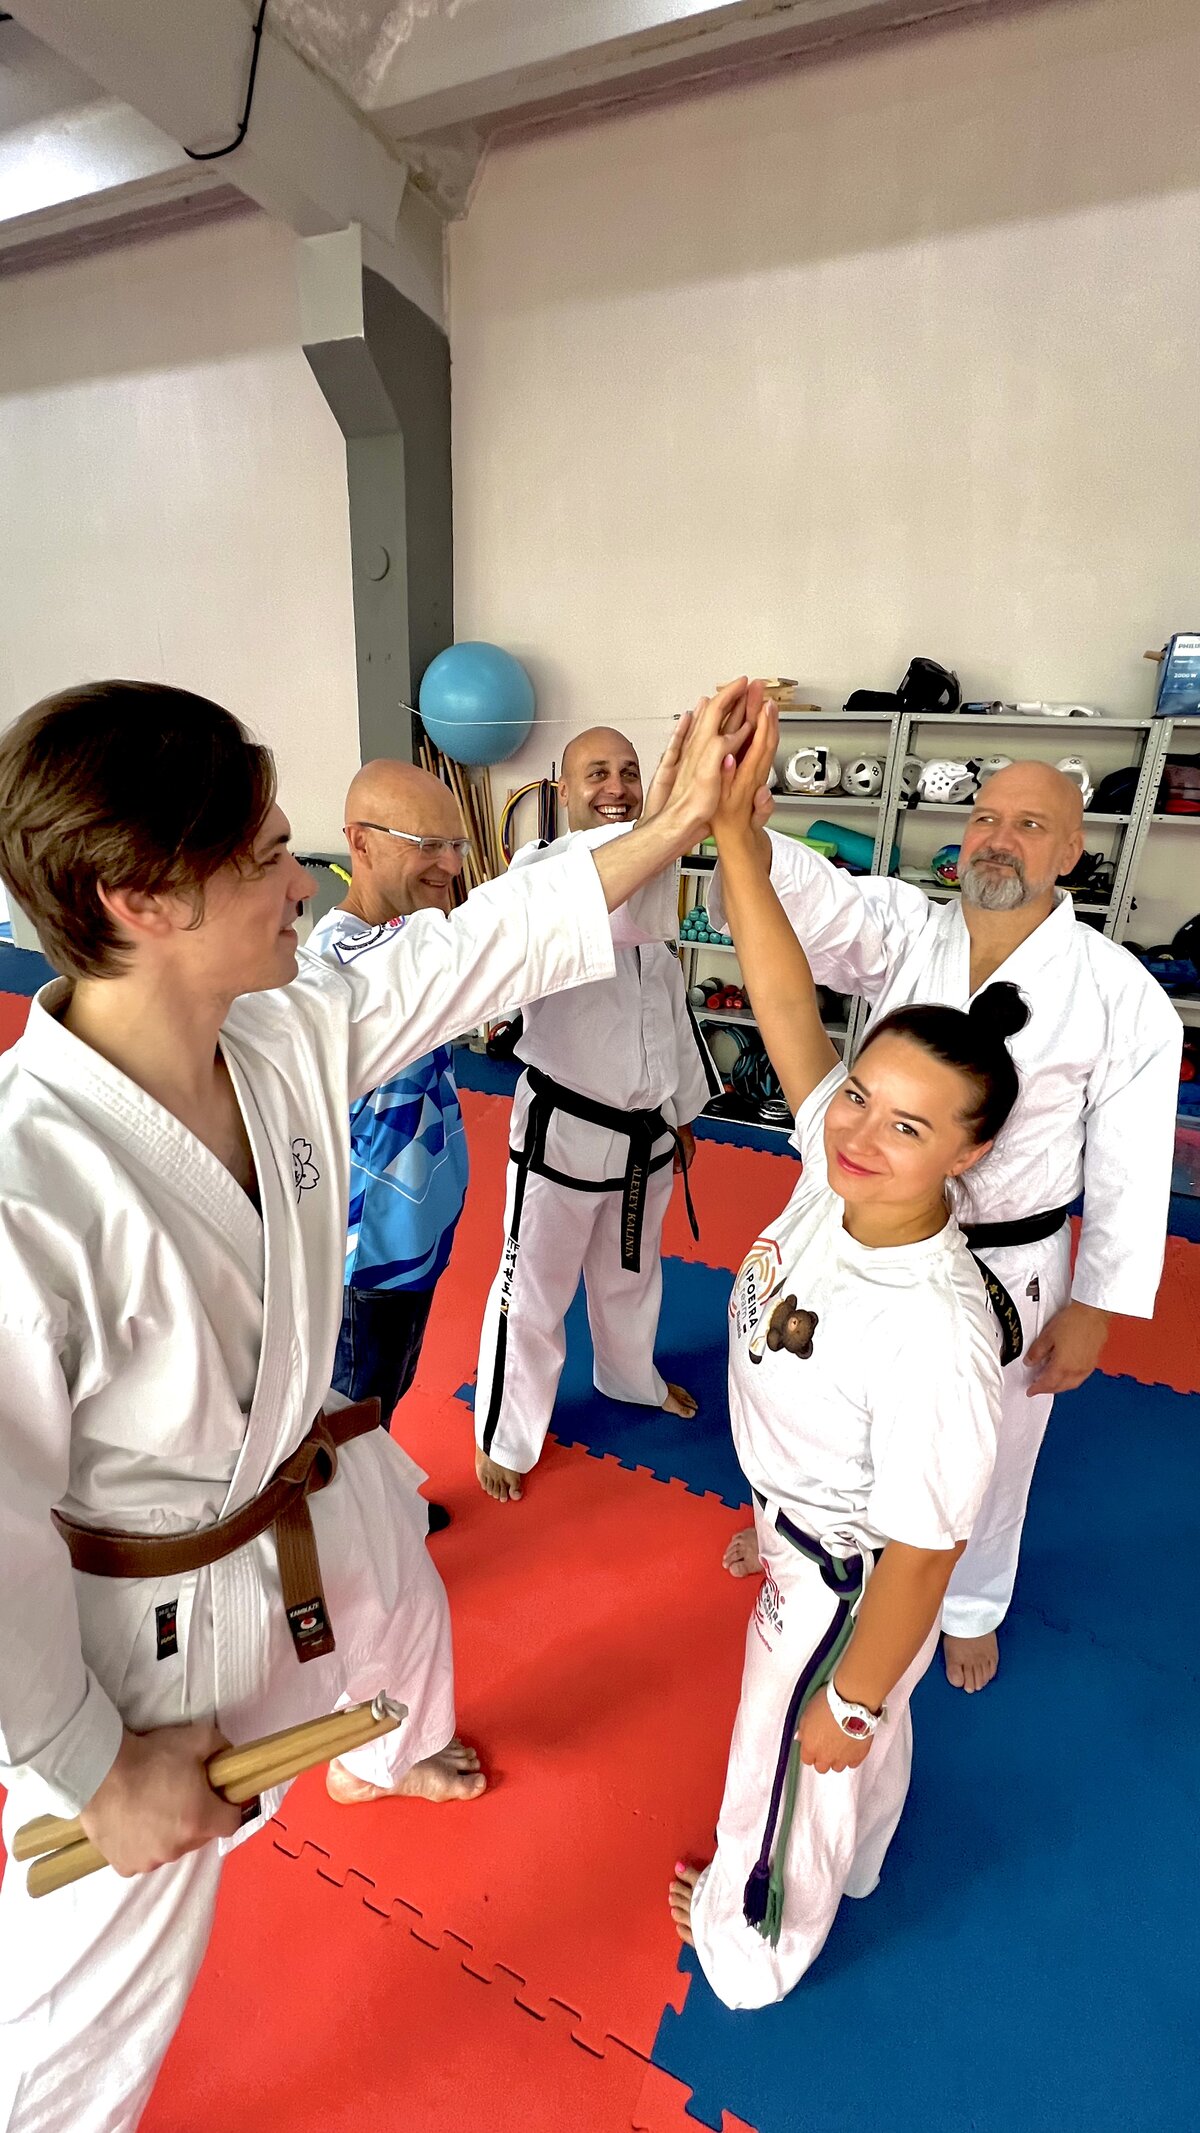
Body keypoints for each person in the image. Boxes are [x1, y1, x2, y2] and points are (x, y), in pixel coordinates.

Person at [0, 677, 744, 2133]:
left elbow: (474, 950)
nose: (308, 883)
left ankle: (390, 1759)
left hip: (303, 1484)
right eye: (267, 857)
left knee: (400, 1582)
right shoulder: (30, 1195)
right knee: (90, 1999)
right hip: (147, 1630)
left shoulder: (274, 1039)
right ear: (143, 901)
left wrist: (672, 823)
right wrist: (95, 1769)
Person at [668, 693, 1011, 2008]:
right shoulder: (836, 1173)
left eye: (909, 1127)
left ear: (970, 1154)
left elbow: (925, 1555)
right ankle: (859, 1858)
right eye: (863, 1095)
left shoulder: (933, 1330)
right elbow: (778, 994)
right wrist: (733, 833)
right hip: (804, 1527)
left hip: (847, 1587)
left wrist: (850, 1697)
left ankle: (750, 1946)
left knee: (785, 1762)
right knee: (854, 1754)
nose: (861, 1131)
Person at [711, 757, 1182, 1691]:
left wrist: (1098, 1303)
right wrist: (744, 832)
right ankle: (792, 1525)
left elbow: (1132, 1162)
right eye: (984, 817)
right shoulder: (906, 925)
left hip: (1009, 1262)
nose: (998, 839)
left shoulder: (1120, 991)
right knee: (809, 1393)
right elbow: (808, 905)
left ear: (1073, 851)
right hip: (863, 1227)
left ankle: (969, 1603)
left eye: (1030, 825)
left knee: (988, 1455)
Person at [473, 726, 719, 1502]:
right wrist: (671, 821)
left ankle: (628, 1377)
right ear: (564, 791)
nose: (616, 786)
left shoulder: (651, 884)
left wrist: (682, 1113)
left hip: (643, 1137)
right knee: (533, 1289)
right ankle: (505, 1433)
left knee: (631, 1275)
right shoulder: (541, 874)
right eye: (597, 773)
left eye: (629, 771)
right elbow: (598, 897)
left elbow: (669, 1015)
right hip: (563, 1131)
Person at [308, 759, 476, 1532]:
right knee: (347, 1410)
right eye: (426, 844)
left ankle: (374, 1505)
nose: (450, 866)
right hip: (364, 1253)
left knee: (385, 1395)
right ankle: (342, 1546)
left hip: (414, 1235)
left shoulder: (406, 938)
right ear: (360, 843)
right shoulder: (340, 962)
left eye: (455, 845)